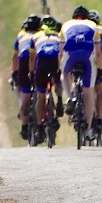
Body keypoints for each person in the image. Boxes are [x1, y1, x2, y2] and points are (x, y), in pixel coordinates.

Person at [60, 6, 102, 140]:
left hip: (70, 52)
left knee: (65, 74)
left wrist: (60, 67)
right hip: (88, 55)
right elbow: (99, 52)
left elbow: (60, 52)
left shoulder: (66, 25)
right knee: (89, 93)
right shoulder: (93, 25)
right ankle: (89, 128)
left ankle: (69, 97)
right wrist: (100, 67)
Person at [31, 15, 64, 144]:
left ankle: (39, 127)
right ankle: (60, 100)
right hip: (55, 59)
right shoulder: (59, 36)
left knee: (40, 95)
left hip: (42, 60)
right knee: (59, 80)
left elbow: (32, 58)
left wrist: (31, 72)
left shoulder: (35, 36)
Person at [12, 14, 42, 140]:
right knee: (42, 91)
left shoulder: (20, 36)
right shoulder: (41, 35)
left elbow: (14, 57)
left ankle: (24, 126)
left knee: (25, 96)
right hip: (39, 59)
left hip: (24, 60)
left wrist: (15, 72)